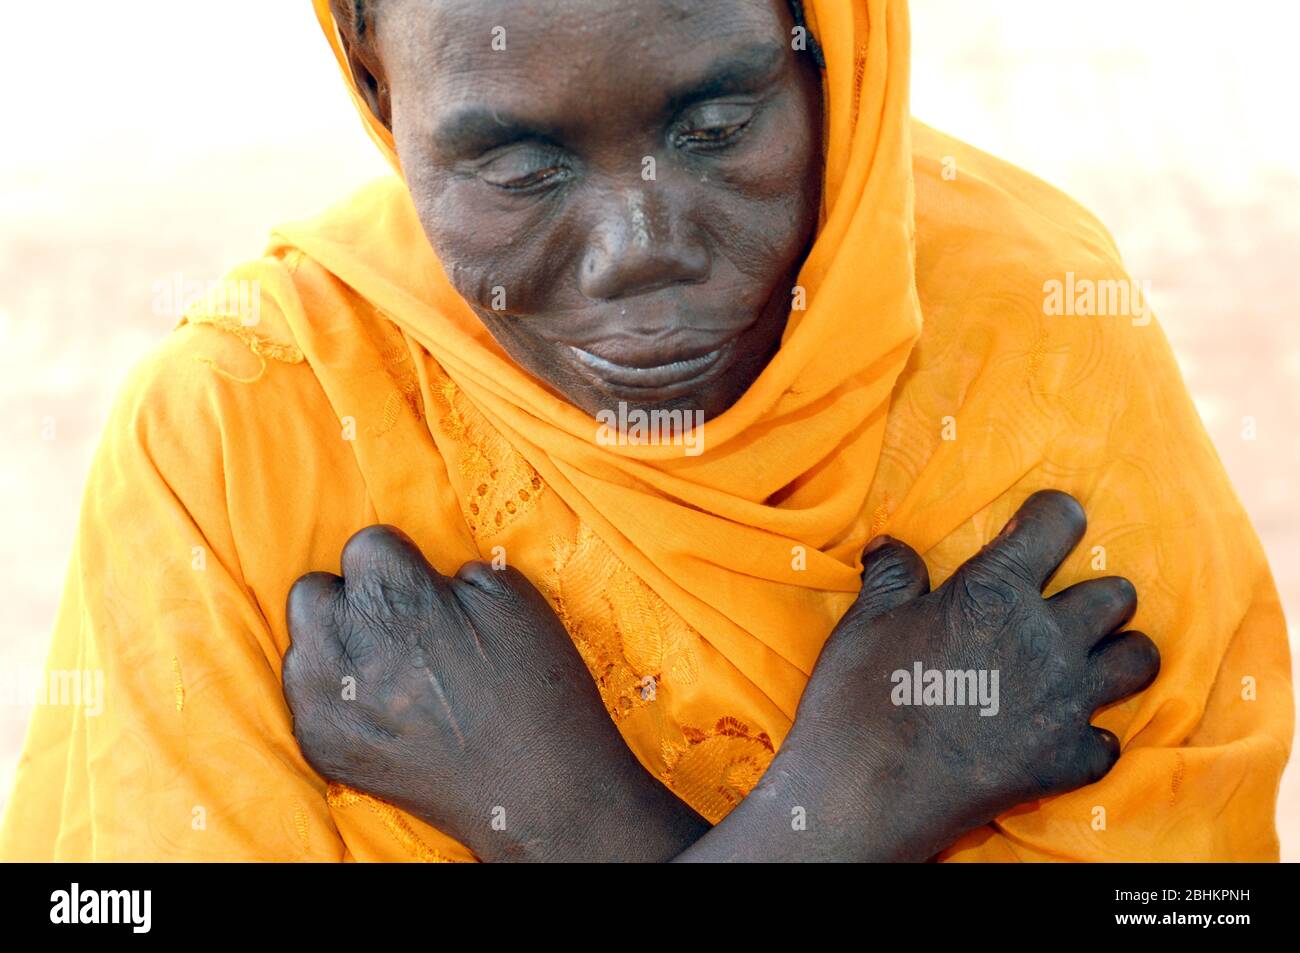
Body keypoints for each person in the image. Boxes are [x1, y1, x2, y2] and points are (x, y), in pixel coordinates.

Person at [0, 0, 1289, 861]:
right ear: (379, 92)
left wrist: (569, 823)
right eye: (519, 169)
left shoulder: (1030, 339)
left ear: (824, 43)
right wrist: (840, 814)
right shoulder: (243, 431)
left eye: (717, 128)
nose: (642, 251)